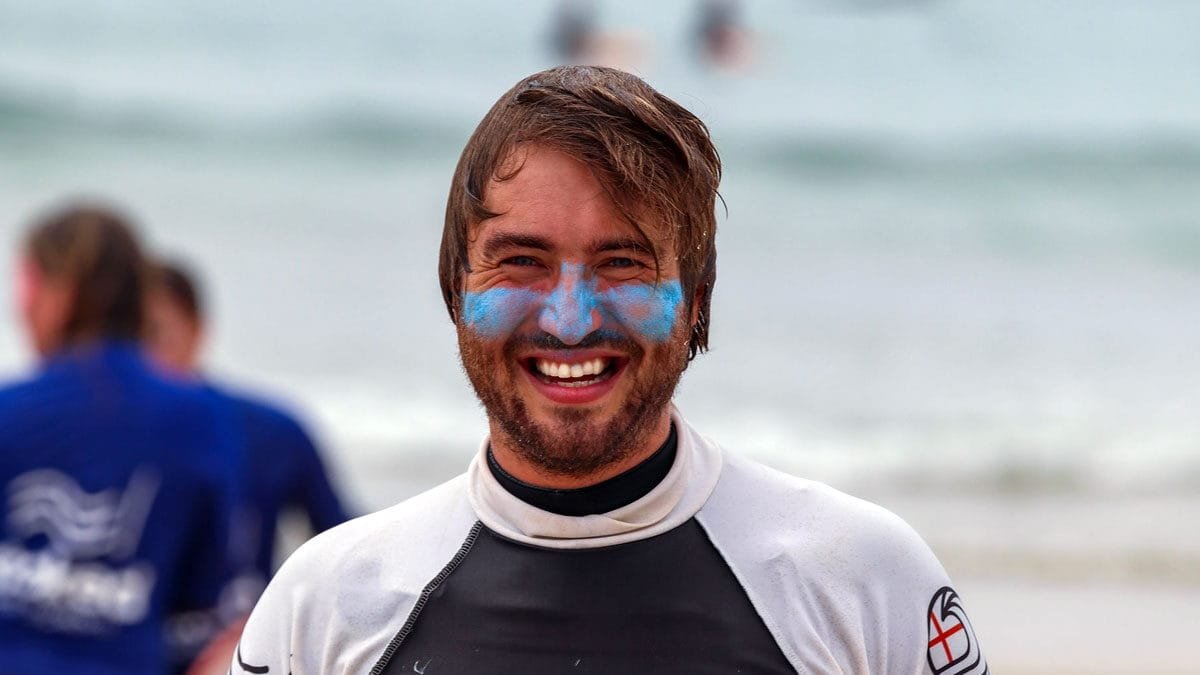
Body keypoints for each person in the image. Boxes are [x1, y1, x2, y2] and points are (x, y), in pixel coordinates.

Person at [233, 66, 988, 675]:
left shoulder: (859, 577)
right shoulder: (329, 602)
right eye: (520, 262)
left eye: (622, 263)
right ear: (456, 288)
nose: (569, 318)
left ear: (694, 301)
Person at [0, 203, 240, 674]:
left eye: (26, 285)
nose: (19, 308)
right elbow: (205, 592)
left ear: (61, 292)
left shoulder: (10, 409)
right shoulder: (198, 418)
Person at [145, 260, 351, 596]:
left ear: (197, 330)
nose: (140, 358)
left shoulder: (271, 433)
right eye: (126, 340)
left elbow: (349, 552)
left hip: (241, 638)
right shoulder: (90, 443)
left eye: (156, 334)